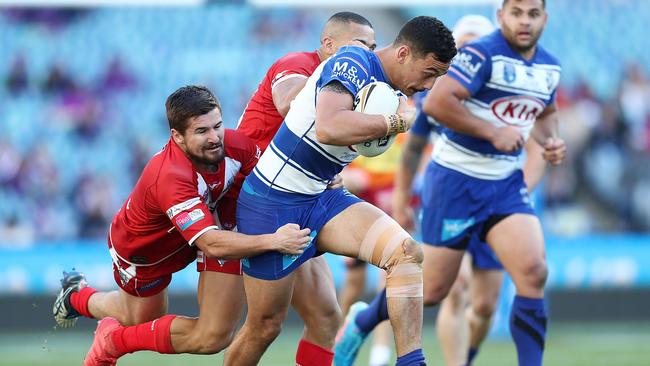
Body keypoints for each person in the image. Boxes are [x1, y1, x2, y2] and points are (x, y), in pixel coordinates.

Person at [335, 2, 565, 366]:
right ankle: (363, 320)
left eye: (533, 13)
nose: (525, 20)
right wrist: (493, 131)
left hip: (504, 183)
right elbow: (438, 103)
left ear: (544, 19)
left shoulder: (548, 66)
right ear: (501, 15)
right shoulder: (482, 54)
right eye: (516, 12)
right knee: (437, 289)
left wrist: (551, 139)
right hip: (456, 181)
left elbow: (545, 112)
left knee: (534, 272)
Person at [223, 16, 457, 366]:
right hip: (273, 202)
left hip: (320, 196)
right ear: (405, 53)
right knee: (265, 326)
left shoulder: (394, 92)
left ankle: (412, 362)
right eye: (430, 73)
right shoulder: (353, 61)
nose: (430, 85)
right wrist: (396, 122)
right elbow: (330, 128)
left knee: (404, 254)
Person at [52, 85, 311, 365]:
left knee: (214, 336)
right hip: (146, 253)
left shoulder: (237, 146)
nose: (214, 138)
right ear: (177, 136)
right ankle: (77, 297)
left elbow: (278, 177)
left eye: (218, 126)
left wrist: (321, 180)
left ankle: (112, 342)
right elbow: (210, 243)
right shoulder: (170, 176)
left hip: (205, 231)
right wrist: (274, 240)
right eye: (202, 131)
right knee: (136, 319)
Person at [229, 11, 378, 365]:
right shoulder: (300, 63)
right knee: (235, 330)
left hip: (296, 201)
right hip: (253, 200)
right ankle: (111, 332)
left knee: (326, 318)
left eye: (373, 47)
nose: (368, 54)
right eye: (359, 45)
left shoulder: (356, 85)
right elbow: (288, 102)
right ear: (328, 45)